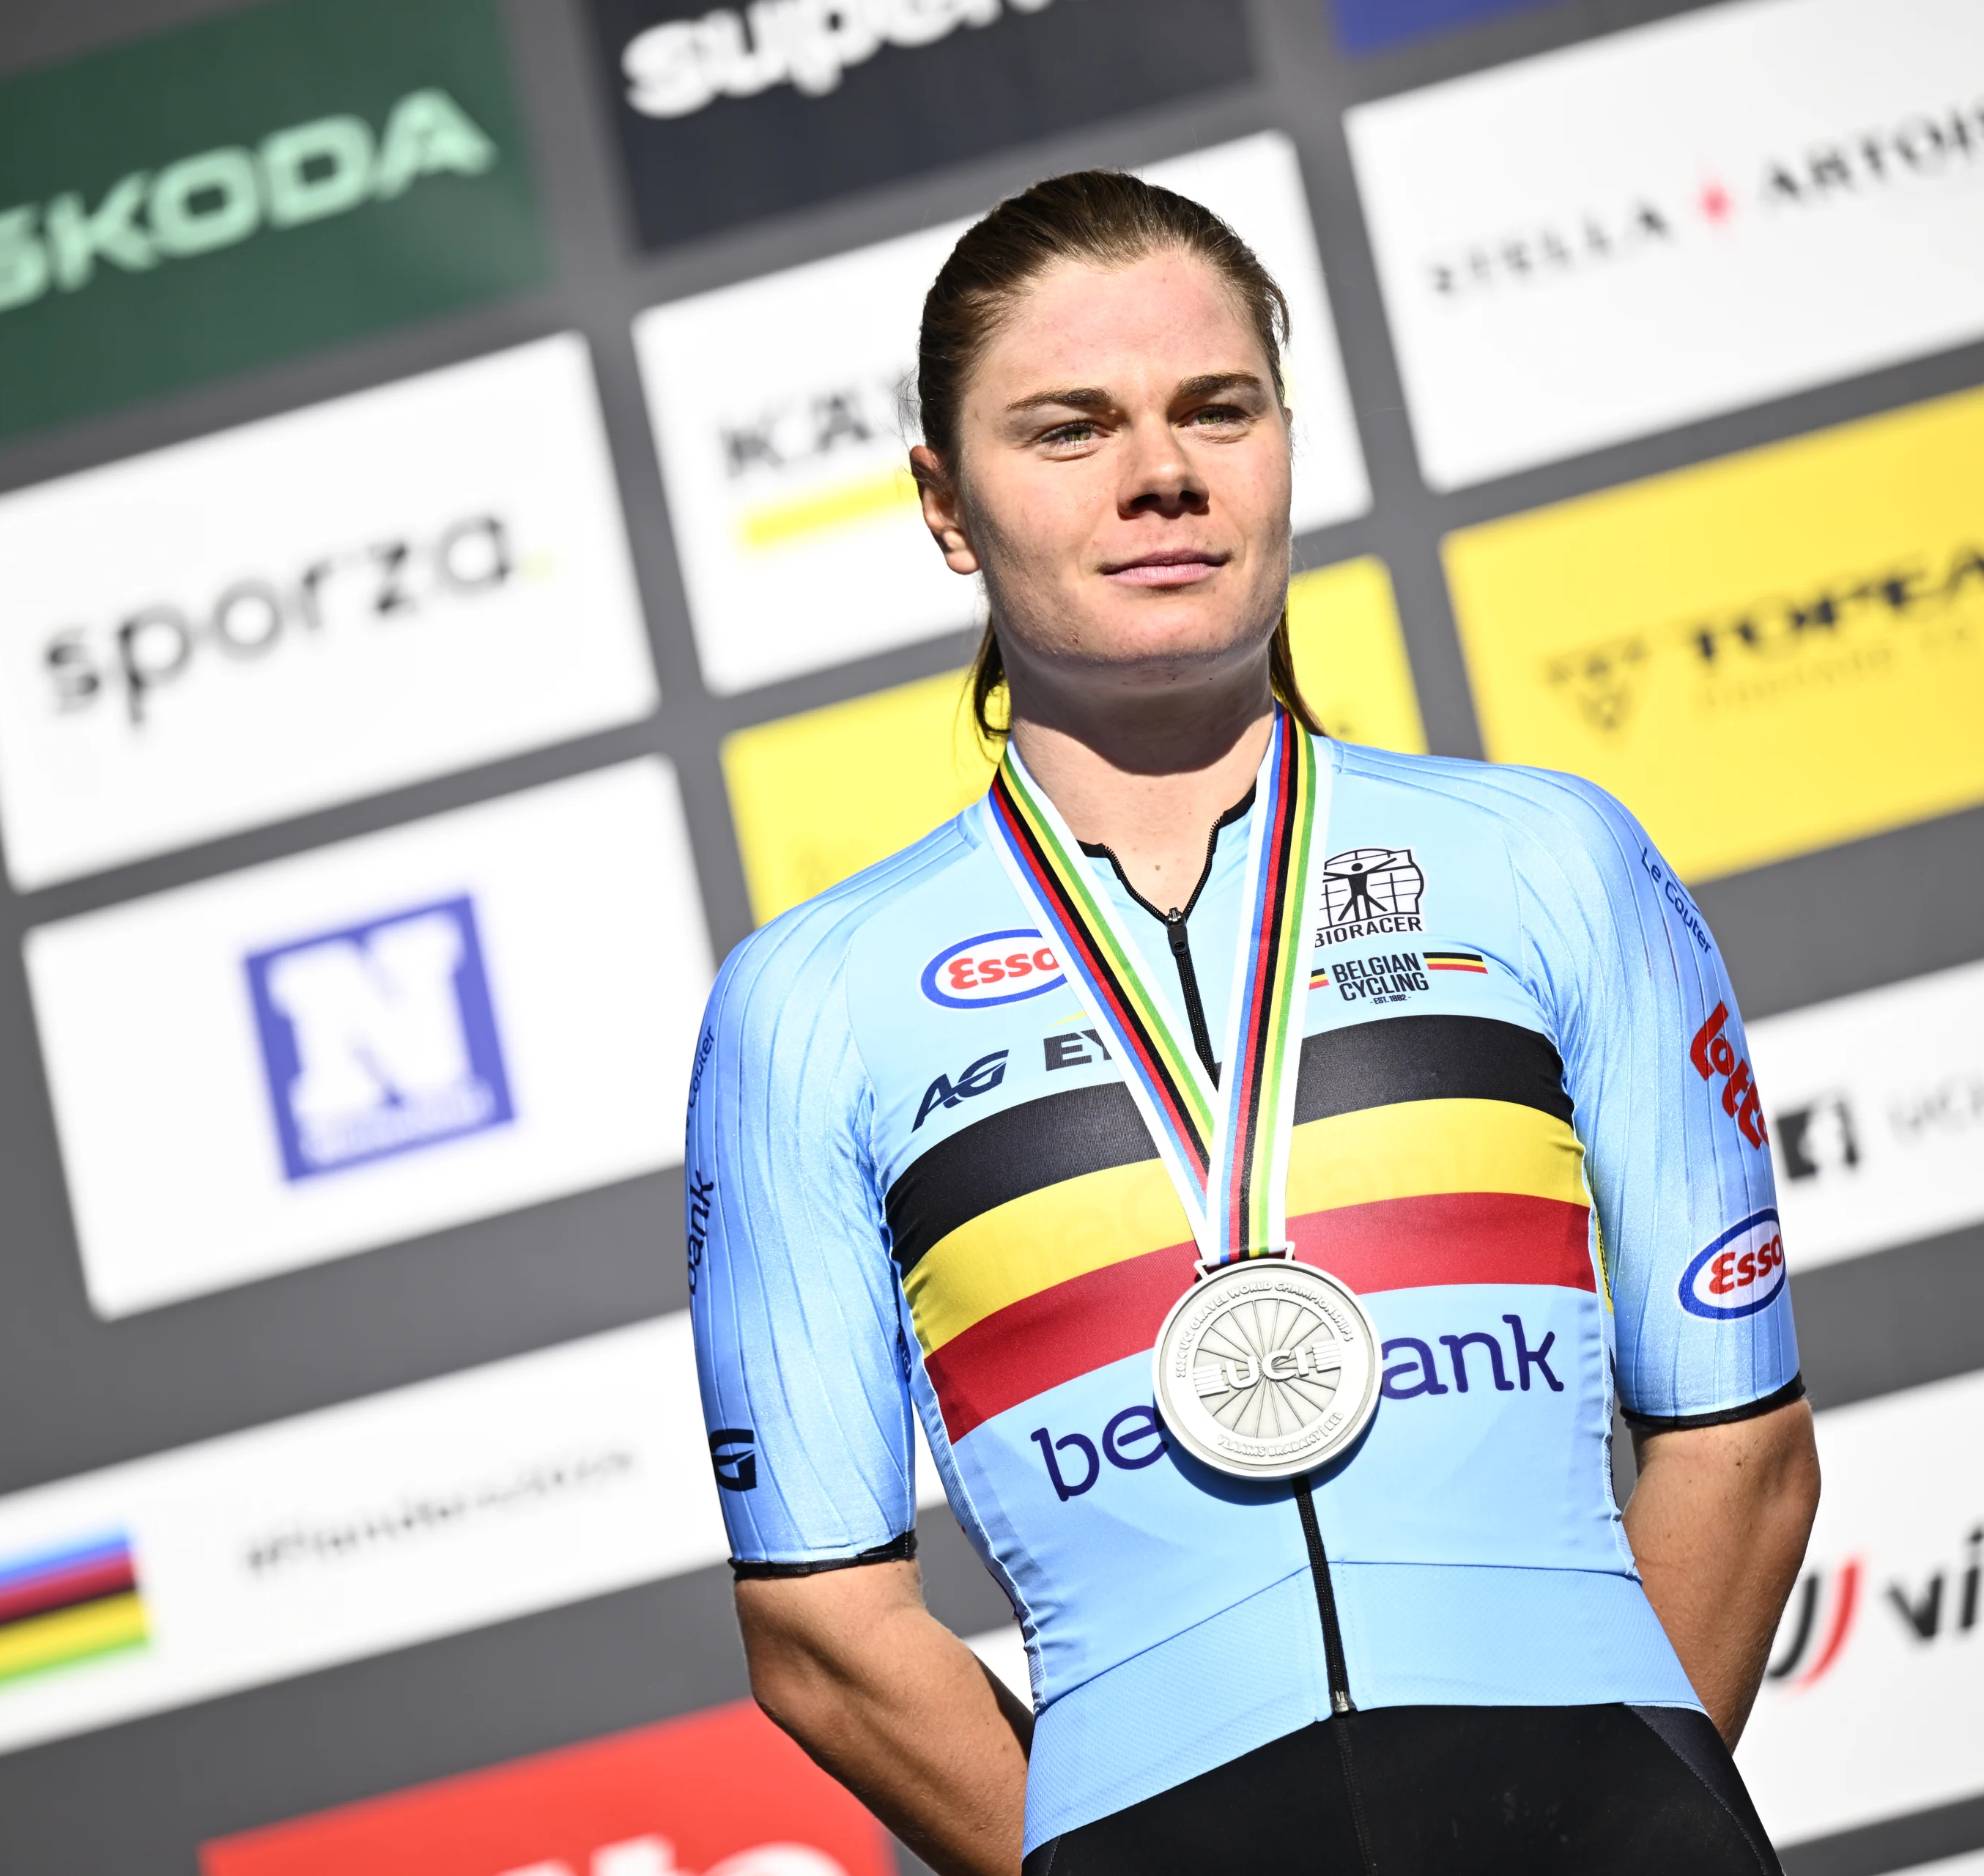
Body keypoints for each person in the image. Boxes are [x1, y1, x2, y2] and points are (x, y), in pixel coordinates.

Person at [683, 170, 1819, 1876]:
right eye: (1069, 429)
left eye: (1218, 407)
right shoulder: (814, 1003)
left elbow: (1745, 1448)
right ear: (944, 501)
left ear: (1286, 436)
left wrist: (1609, 1796)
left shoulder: (1549, 860)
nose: (1162, 472)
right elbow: (826, 1630)